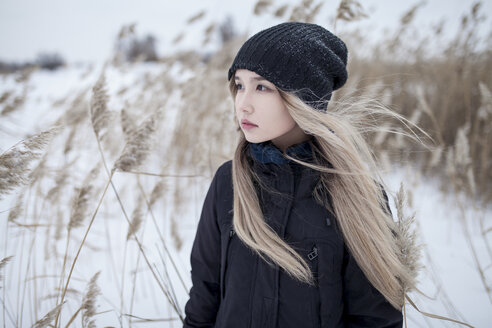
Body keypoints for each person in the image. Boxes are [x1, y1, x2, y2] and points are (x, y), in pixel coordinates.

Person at [183, 22, 416, 328]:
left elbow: (375, 318)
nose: (243, 103)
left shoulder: (356, 194)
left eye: (262, 86)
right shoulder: (229, 182)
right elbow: (205, 295)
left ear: (303, 98)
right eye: (239, 85)